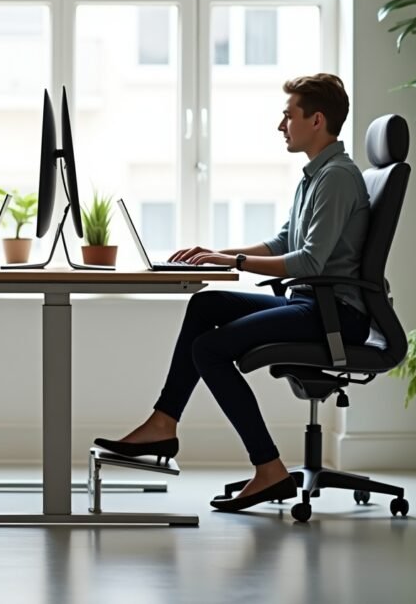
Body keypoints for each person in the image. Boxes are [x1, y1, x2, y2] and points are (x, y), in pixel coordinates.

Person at [95, 73, 372, 512]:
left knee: (209, 349)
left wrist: (234, 265)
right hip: (311, 304)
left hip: (334, 314)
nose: (281, 125)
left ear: (316, 120)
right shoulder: (315, 175)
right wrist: (216, 253)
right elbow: (285, 244)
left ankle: (269, 468)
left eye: (288, 115)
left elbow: (310, 263)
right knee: (207, 304)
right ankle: (164, 422)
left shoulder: (337, 178)